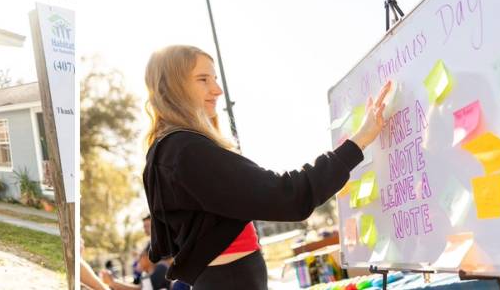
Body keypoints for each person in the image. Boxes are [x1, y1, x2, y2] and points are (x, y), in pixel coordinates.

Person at [142, 45, 391, 288]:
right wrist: (357, 142)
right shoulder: (186, 150)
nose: (217, 89)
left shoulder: (166, 150)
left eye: (215, 78)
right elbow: (286, 195)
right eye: (203, 79)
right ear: (175, 87)